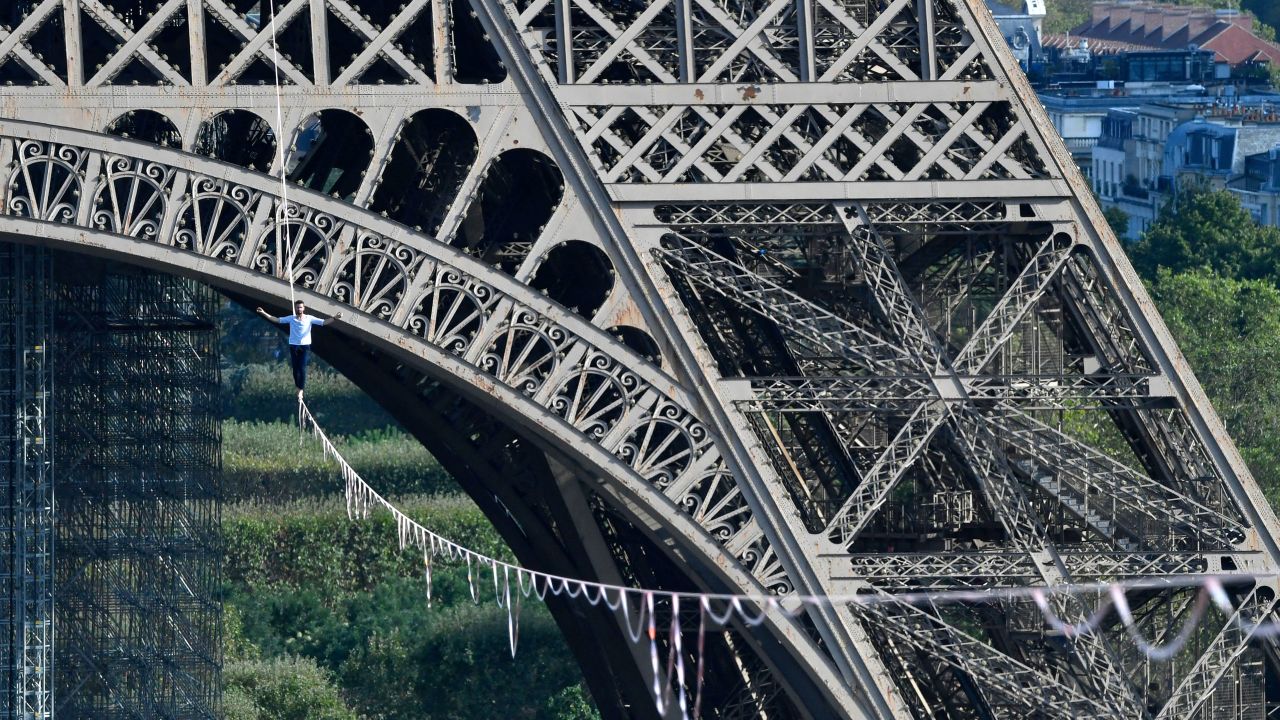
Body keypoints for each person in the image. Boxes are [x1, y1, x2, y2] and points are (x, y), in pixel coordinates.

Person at [255, 300, 342, 399]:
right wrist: (263, 313)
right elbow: (276, 320)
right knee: (295, 370)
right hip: (294, 346)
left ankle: (301, 390)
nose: (299, 309)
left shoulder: (309, 318)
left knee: (302, 368)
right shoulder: (291, 318)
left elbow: (323, 322)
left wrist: (335, 318)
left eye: (301, 307)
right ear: (295, 308)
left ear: (303, 308)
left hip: (304, 346)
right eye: (297, 307)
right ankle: (298, 386)